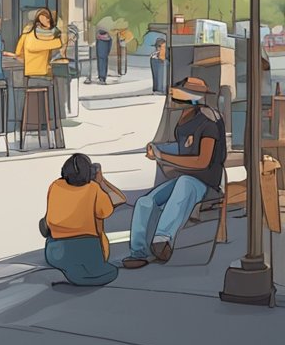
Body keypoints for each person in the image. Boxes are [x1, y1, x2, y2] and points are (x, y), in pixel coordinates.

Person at [123, 77, 226, 268]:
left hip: (205, 183)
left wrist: (164, 156)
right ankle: (139, 252)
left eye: (177, 94)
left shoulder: (209, 122)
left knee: (185, 183)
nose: (172, 97)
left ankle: (163, 238)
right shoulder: (184, 119)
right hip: (184, 179)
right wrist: (159, 149)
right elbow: (183, 148)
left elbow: (201, 162)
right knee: (146, 201)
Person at [44, 153, 126, 286]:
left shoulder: (55, 185)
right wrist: (101, 181)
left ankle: (66, 270)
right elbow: (119, 200)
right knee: (111, 271)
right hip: (88, 248)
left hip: (55, 251)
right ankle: (87, 271)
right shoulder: (93, 189)